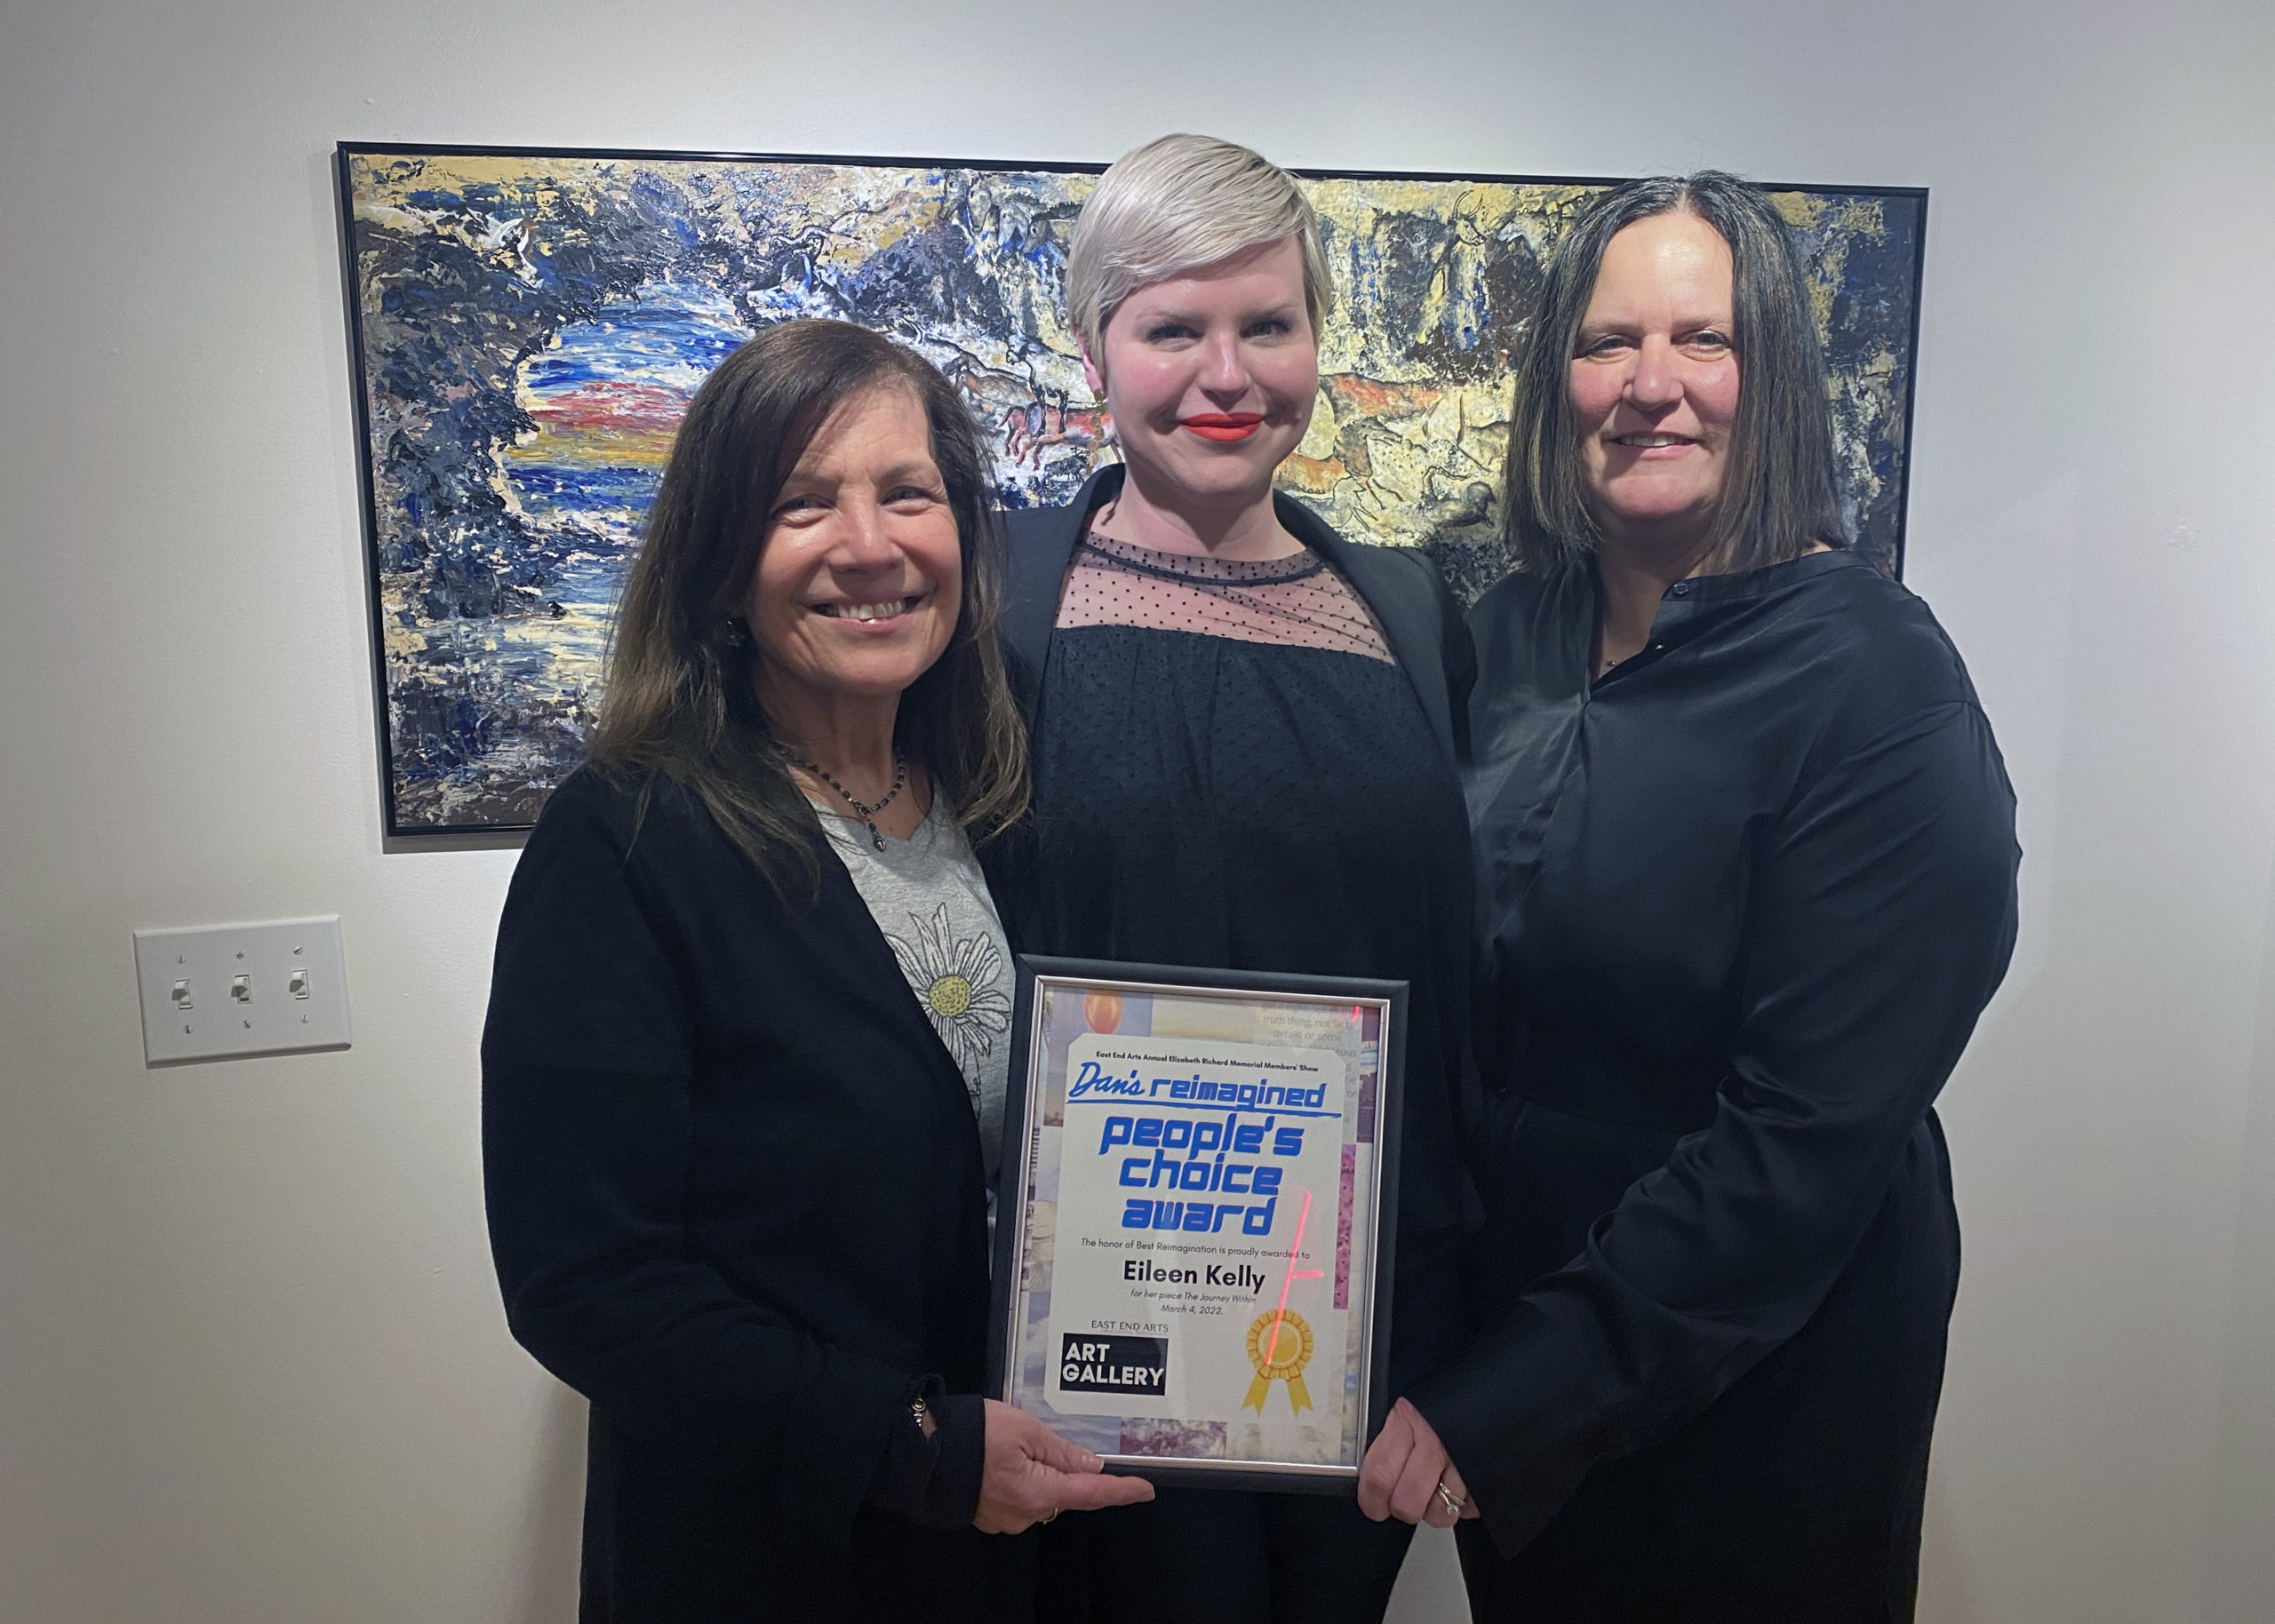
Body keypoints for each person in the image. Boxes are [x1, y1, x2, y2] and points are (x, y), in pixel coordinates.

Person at [1354, 172, 2022, 1620]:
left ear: (1769, 374)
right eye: (1607, 343)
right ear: (1557, 383)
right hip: (1512, 1349)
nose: (1650, 386)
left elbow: (1805, 1141)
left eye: (1700, 342)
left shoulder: (1879, 684)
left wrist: (1524, 1393)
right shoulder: (1509, 635)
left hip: (1752, 1374)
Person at [481, 318, 1152, 1622]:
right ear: (723, 563)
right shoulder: (624, 843)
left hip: (1006, 1549)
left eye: (909, 493)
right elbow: (586, 1287)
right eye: (803, 505)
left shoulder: (1002, 814)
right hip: (774, 1555)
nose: (868, 545)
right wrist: (910, 1448)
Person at [986, 133, 1479, 1624]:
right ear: (1094, 350)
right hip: (1081, 1345)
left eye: (1266, 323)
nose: (1227, 372)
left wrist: (1464, 1350)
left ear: (1317, 338)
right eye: (1172, 329)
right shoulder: (1001, 607)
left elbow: (1451, 989)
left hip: (1347, 1333)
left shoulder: (1406, 615)